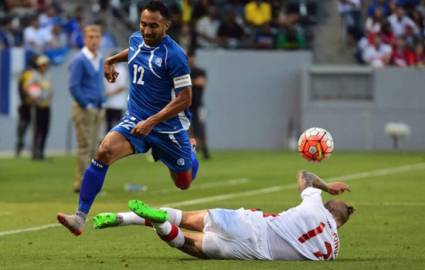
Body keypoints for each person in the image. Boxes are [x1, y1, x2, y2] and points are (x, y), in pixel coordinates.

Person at [57, 1, 199, 236]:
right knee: (103, 151)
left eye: (153, 26)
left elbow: (185, 99)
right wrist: (110, 60)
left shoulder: (175, 56)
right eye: (143, 24)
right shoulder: (136, 40)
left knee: (183, 183)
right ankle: (79, 218)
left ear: (166, 26)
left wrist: (151, 122)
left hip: (168, 129)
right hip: (136, 119)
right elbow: (134, 51)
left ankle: (190, 152)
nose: (146, 31)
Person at [92, 170, 353, 260]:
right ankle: (160, 226)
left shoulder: (315, 206)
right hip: (255, 254)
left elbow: (304, 176)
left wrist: (326, 187)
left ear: (329, 207)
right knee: (188, 243)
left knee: (183, 217)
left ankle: (124, 217)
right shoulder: (332, 251)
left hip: (251, 224)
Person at [68, 25, 105, 192]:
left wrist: (100, 101)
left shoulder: (100, 58)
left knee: (93, 147)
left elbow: (98, 84)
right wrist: (86, 104)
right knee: (85, 146)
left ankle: (88, 181)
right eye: (90, 37)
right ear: (84, 39)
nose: (94, 40)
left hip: (97, 107)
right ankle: (82, 182)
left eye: (97, 37)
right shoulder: (79, 59)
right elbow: (74, 86)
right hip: (85, 108)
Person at [25, 55, 53, 160]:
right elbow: (27, 87)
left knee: (45, 129)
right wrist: (33, 97)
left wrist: (49, 99)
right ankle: (35, 152)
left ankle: (41, 152)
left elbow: (50, 90)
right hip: (37, 106)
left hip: (46, 105)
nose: (44, 66)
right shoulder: (35, 75)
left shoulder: (48, 76)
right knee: (37, 130)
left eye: (45, 64)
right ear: (39, 66)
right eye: (42, 65)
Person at [188, 51, 210, 159]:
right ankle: (193, 151)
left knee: (201, 129)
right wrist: (194, 81)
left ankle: (205, 150)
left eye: (191, 57)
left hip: (198, 105)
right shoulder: (184, 71)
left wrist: (188, 81)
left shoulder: (200, 71)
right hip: (186, 106)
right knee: (189, 130)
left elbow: (202, 82)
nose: (190, 60)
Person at [104, 54, 128, 134]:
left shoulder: (121, 70)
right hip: (108, 104)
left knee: (117, 127)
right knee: (108, 126)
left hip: (118, 104)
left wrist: (109, 93)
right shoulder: (108, 69)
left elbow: (122, 87)